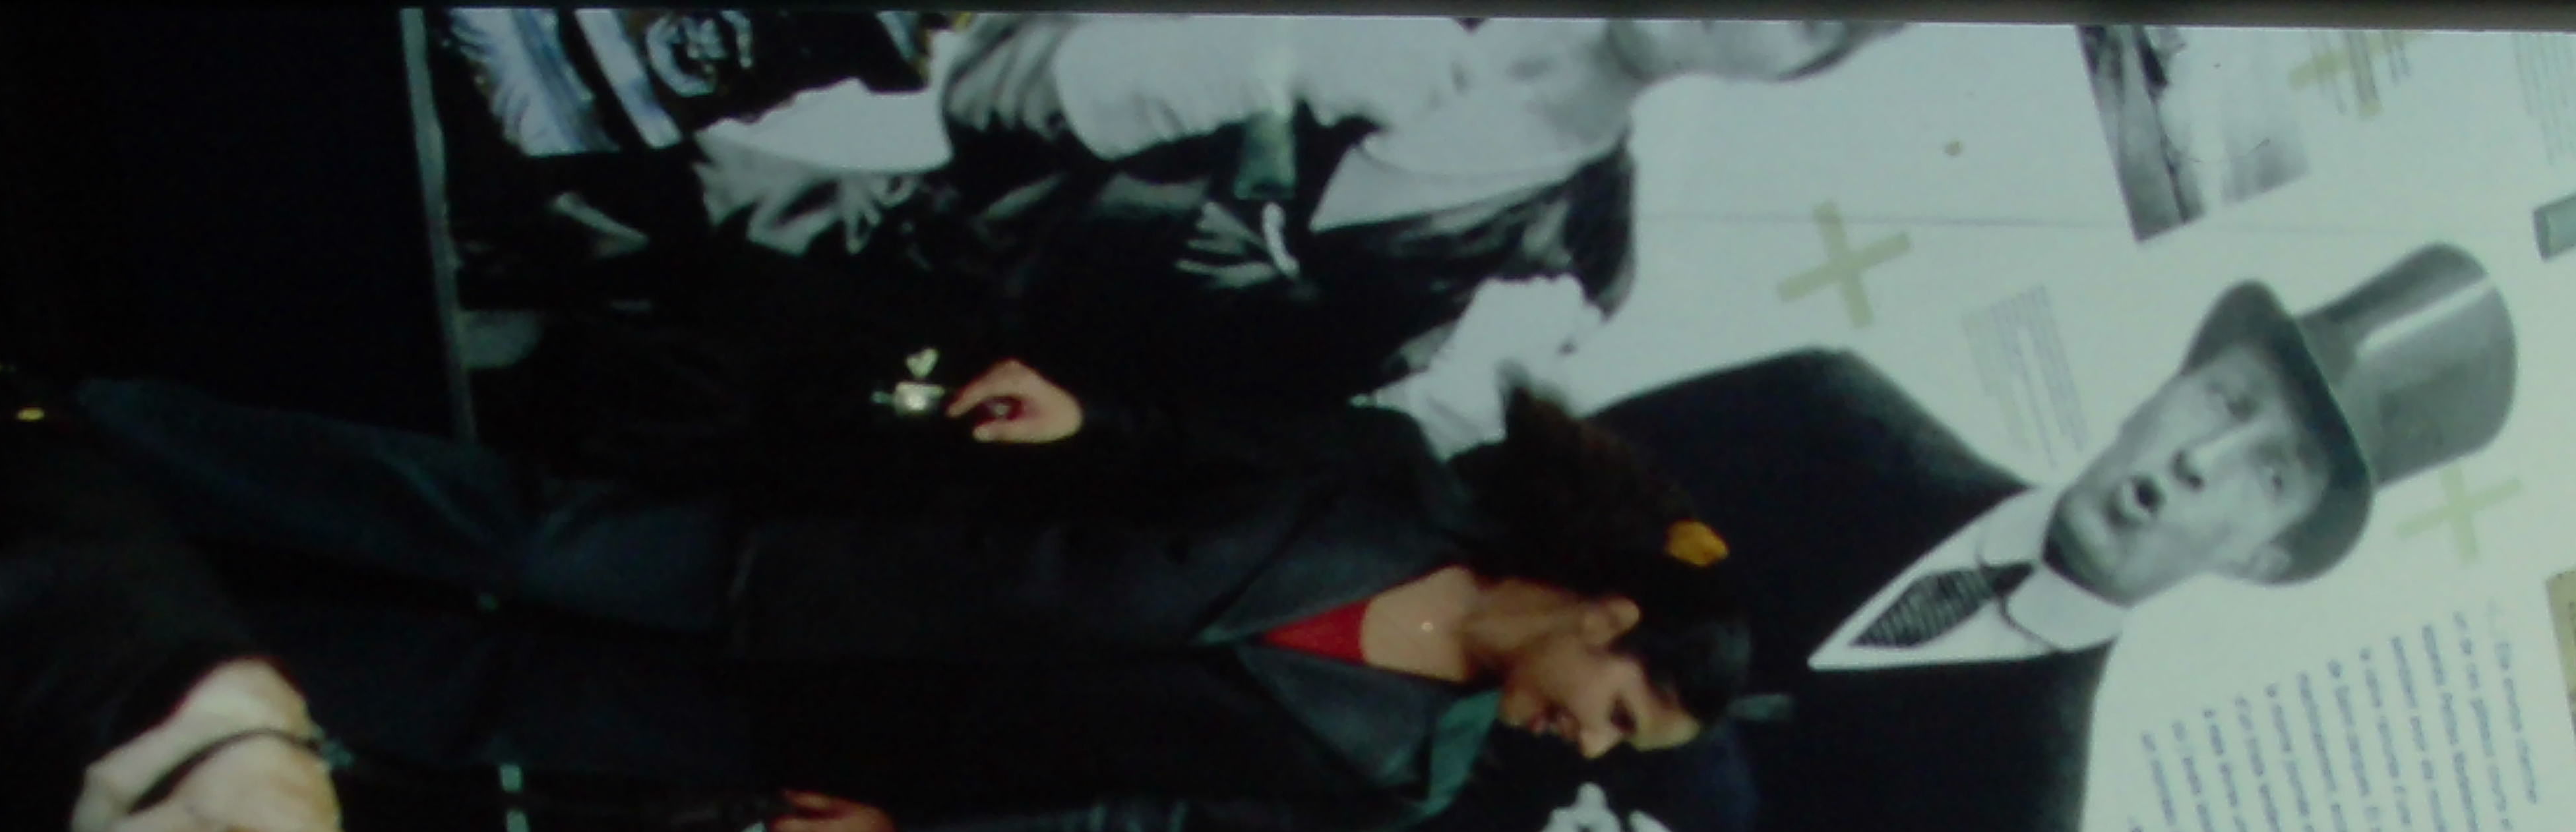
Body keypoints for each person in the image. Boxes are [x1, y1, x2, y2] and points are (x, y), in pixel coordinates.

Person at [1302, 244, 2525, 832]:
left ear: (2265, 558)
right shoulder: (1829, 418)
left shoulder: (2013, 817)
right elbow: (1487, 506)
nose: (2206, 456)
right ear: (2162, 389)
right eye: (2224, 397)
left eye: (2270, 472)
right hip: (1284, 716)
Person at [69, 356, 1742, 832]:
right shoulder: (1383, 474)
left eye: (1614, 751)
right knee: (484, 525)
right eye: (1611, 708)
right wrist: (1081, 426)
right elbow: (1174, 444)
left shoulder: (1408, 777)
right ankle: (76, 437)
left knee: (472, 692)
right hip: (848, 561)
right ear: (1604, 610)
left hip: (849, 744)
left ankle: (72, 630)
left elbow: (1140, 825)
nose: (1580, 748)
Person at [677, 14, 1905, 417]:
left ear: (1796, 69)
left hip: (880, 448)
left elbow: (1232, 448)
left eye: (1807, 11)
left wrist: (1436, 415)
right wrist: (1261, 55)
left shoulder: (1572, 263)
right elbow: (981, 76)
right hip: (739, 214)